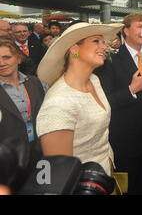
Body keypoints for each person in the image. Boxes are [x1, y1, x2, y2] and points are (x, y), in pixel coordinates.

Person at [36, 22, 123, 176]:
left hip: (103, 174)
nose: (104, 47)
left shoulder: (94, 80)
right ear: (74, 49)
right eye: (96, 41)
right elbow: (59, 173)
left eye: (104, 42)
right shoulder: (58, 103)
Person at [95, 14, 142, 194]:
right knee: (127, 187)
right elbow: (105, 102)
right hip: (126, 141)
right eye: (140, 26)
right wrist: (131, 89)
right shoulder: (109, 62)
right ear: (125, 31)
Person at [0, 39, 46, 175]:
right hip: (8, 159)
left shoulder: (34, 82)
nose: (1, 63)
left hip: (39, 152)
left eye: (6, 57)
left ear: (19, 59)